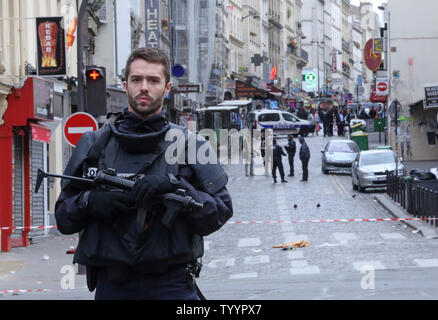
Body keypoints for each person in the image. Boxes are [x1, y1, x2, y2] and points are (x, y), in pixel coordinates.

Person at [54, 47, 233, 300]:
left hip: (172, 286)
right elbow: (63, 217)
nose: (144, 87)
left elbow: (220, 212)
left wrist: (176, 188)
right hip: (113, 287)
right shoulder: (94, 144)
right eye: (137, 80)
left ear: (167, 88)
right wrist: (89, 202)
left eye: (153, 80)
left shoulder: (191, 145)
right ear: (125, 85)